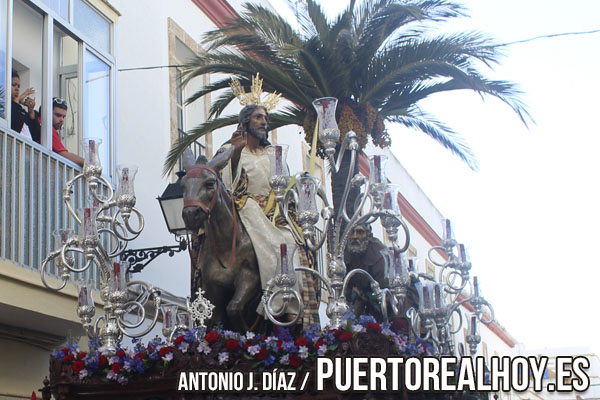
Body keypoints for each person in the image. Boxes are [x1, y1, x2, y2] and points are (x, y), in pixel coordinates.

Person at [217, 104, 319, 326]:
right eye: (257, 117)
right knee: (273, 243)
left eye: (265, 117)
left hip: (275, 211)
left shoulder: (274, 153)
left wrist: (288, 204)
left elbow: (285, 185)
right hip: (246, 206)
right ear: (245, 123)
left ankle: (294, 306)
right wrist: (234, 152)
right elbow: (223, 183)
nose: (264, 121)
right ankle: (276, 302)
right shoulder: (231, 149)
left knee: (293, 243)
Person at [343, 222, 388, 319]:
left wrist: (363, 295)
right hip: (358, 310)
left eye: (360, 232)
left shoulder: (379, 254)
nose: (355, 236)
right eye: (352, 233)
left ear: (369, 237)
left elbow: (385, 290)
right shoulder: (346, 254)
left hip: (382, 309)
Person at [44, 98, 84, 167]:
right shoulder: (47, 128)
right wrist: (88, 163)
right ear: (48, 113)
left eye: (63, 117)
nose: (62, 120)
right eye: (58, 115)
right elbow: (63, 154)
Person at [11, 70, 40, 142]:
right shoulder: (4, 105)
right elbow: (12, 123)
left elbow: (36, 135)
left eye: (18, 86)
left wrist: (31, 111)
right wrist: (20, 98)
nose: (17, 88)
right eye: (13, 84)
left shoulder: (20, 110)